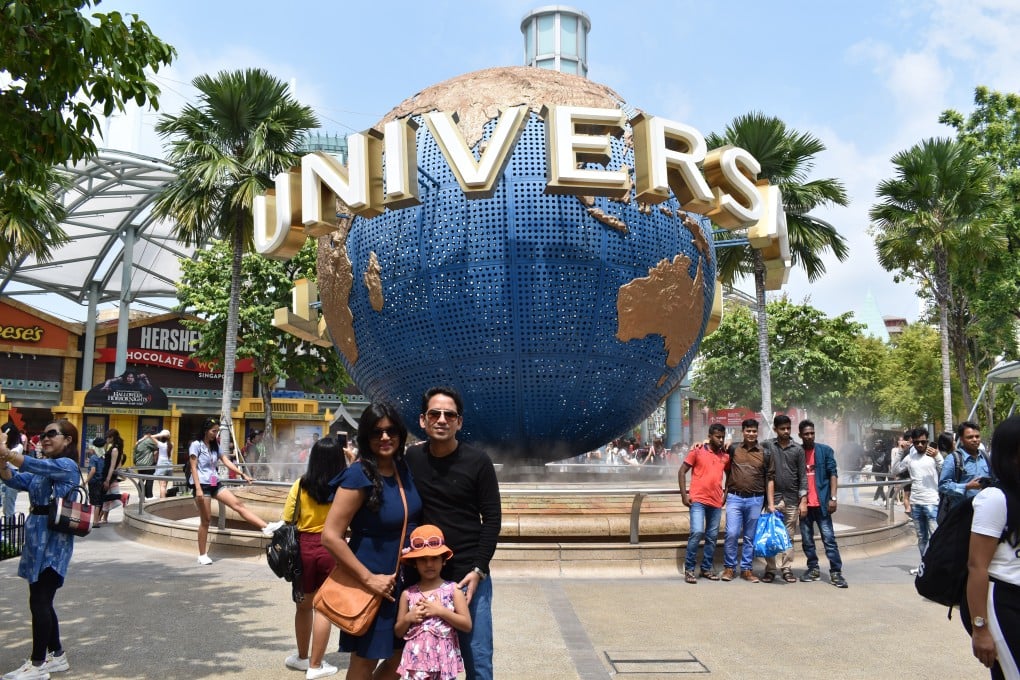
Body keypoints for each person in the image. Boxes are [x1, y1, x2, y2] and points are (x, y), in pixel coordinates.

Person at [404, 386, 501, 680]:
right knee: (424, 660)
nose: (442, 419)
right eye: (435, 413)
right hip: (426, 575)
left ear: (459, 422)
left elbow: (493, 518)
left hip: (467, 576)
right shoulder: (412, 459)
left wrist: (479, 568)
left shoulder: (478, 461)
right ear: (423, 420)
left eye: (450, 414)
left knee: (478, 660)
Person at [321, 403, 423, 680]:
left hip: (405, 582)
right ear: (366, 436)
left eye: (391, 431)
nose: (385, 437)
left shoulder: (404, 469)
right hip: (374, 583)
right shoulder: (359, 474)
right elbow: (330, 535)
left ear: (401, 434)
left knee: (402, 658)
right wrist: (369, 579)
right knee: (366, 660)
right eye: (377, 432)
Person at [0, 420, 81, 679]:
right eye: (42, 434)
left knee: (40, 601)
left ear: (67, 440)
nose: (44, 438)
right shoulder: (42, 471)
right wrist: (3, 462)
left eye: (51, 434)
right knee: (43, 602)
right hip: (37, 545)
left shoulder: (65, 466)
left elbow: (31, 464)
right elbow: (14, 479)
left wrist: (8, 453)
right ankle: (57, 655)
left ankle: (37, 665)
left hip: (54, 547)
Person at [282, 436, 348, 679]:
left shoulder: (300, 485)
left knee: (303, 606)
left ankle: (302, 657)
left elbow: (288, 517)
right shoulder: (344, 487)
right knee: (324, 609)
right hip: (332, 548)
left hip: (304, 548)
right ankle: (316, 665)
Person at [965, 415, 1020, 679]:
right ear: (1011, 455)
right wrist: (980, 628)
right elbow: (977, 566)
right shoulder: (995, 499)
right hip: (1003, 602)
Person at [189, 418, 282, 565]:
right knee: (206, 521)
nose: (215, 434)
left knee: (238, 504)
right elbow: (193, 467)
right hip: (202, 485)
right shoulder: (196, 445)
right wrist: (198, 488)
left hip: (214, 482)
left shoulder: (215, 445)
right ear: (206, 430)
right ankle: (202, 554)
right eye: (213, 431)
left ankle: (266, 527)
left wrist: (243, 474)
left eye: (217, 431)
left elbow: (226, 461)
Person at [395, 524, 472, 680]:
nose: (429, 564)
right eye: (423, 560)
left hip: (443, 661)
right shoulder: (408, 594)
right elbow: (398, 631)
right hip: (415, 665)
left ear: (443, 560)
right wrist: (408, 618)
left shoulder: (453, 590)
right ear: (415, 563)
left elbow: (467, 624)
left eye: (434, 558)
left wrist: (441, 611)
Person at [721, 418, 774, 583]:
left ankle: (746, 569)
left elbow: (770, 479)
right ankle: (729, 567)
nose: (751, 434)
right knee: (731, 533)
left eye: (754, 431)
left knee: (750, 536)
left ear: (757, 432)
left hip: (755, 499)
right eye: (748, 431)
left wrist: (770, 503)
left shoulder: (765, 452)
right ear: (742, 432)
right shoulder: (734, 448)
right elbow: (715, 451)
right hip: (735, 498)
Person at [797, 420, 848, 588]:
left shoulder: (825, 451)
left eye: (812, 433)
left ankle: (836, 572)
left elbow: (833, 474)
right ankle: (813, 568)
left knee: (829, 539)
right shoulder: (797, 452)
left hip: (822, 504)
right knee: (807, 540)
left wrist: (833, 498)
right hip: (805, 505)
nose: (810, 436)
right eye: (806, 434)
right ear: (800, 435)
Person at [678, 423, 729, 583]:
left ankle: (706, 568)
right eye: (717, 436)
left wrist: (725, 496)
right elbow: (681, 471)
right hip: (698, 500)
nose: (720, 440)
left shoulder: (725, 456)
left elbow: (731, 476)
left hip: (715, 502)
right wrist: (684, 496)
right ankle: (690, 569)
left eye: (722, 437)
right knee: (697, 532)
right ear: (710, 436)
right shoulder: (697, 451)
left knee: (712, 536)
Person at [762, 414, 807, 584]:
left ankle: (786, 568)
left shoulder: (797, 449)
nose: (786, 431)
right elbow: (745, 446)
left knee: (788, 536)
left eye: (788, 428)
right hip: (773, 499)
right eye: (782, 429)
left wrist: (803, 501)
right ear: (775, 430)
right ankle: (771, 569)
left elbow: (802, 477)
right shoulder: (767, 446)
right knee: (771, 535)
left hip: (791, 500)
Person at [892, 427, 943, 558]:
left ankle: (936, 567)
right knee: (921, 537)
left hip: (932, 502)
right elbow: (895, 470)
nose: (920, 445)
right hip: (916, 503)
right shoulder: (910, 457)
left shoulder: (933, 454)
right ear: (912, 442)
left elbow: (945, 470)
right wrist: (900, 452)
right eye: (916, 442)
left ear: (927, 441)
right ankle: (925, 566)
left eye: (923, 442)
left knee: (936, 536)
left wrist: (937, 456)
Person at [940, 421, 992, 519]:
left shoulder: (985, 457)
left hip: (983, 512)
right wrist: (967, 486)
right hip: (961, 515)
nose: (975, 440)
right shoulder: (953, 459)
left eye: (977, 436)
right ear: (962, 439)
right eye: (970, 437)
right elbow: (943, 485)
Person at [97, 429, 127, 525]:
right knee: (104, 497)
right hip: (107, 474)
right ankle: (99, 518)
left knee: (100, 497)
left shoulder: (114, 449)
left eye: (108, 437)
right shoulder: (114, 448)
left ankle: (121, 496)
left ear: (112, 437)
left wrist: (107, 479)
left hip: (107, 475)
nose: (107, 439)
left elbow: (112, 466)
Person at [1, 422, 24, 519]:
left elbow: (7, 456)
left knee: (9, 507)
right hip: (2, 475)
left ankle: (8, 532)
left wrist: (2, 442)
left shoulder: (18, 446)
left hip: (12, 476)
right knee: (4, 506)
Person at [84, 437, 107, 522]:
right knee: (99, 501)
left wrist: (85, 481)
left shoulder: (94, 458)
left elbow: (93, 470)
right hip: (101, 481)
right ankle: (96, 520)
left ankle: (94, 522)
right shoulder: (103, 457)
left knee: (94, 502)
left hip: (94, 482)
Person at [133, 427, 159, 499]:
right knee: (149, 479)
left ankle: (140, 496)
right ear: (149, 434)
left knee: (141, 480)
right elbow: (158, 446)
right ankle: (149, 496)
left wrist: (135, 462)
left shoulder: (138, 442)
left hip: (139, 464)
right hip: (148, 464)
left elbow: (134, 454)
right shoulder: (148, 441)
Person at [152, 429, 174, 498]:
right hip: (169, 466)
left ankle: (162, 502)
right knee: (165, 486)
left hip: (161, 466)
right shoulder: (171, 444)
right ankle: (164, 501)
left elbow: (151, 437)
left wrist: (160, 434)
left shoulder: (161, 444)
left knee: (162, 486)